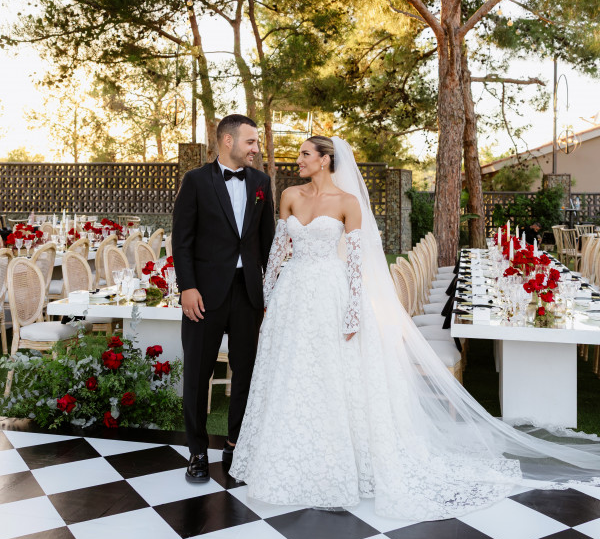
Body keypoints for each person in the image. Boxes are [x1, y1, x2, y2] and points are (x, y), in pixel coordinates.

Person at [231, 135, 600, 519]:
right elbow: (277, 253)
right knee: (289, 372)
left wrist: (353, 311)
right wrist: (266, 298)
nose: (298, 160)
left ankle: (334, 462)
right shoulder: (289, 195)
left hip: (330, 294)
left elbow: (355, 265)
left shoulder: (348, 203)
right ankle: (284, 456)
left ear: (325, 160)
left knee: (330, 374)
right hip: (291, 296)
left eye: (305, 154)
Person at [172, 115, 275, 483]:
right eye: (251, 141)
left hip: (248, 293)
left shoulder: (261, 183)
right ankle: (197, 452)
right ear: (228, 141)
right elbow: (181, 239)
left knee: (245, 372)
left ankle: (235, 446)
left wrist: (270, 290)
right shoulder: (196, 180)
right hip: (203, 294)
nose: (256, 148)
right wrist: (187, 287)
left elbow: (267, 241)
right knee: (197, 374)